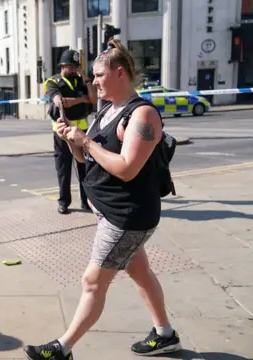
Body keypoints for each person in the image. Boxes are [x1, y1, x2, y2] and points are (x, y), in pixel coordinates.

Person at [23, 40, 182, 360]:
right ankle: (165, 334)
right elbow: (86, 160)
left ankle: (62, 348)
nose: (92, 81)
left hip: (128, 216)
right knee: (139, 272)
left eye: (97, 75)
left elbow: (126, 168)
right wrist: (72, 140)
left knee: (92, 281)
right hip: (110, 212)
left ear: (119, 73)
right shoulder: (108, 109)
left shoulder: (143, 115)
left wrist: (85, 141)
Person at [44, 49, 97, 214]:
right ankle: (64, 202)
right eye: (72, 67)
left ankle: (85, 201)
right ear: (63, 66)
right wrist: (82, 99)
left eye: (76, 67)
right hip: (62, 131)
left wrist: (87, 80)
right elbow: (60, 102)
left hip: (82, 130)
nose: (74, 70)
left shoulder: (82, 81)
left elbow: (94, 100)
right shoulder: (53, 82)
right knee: (63, 168)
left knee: (84, 167)